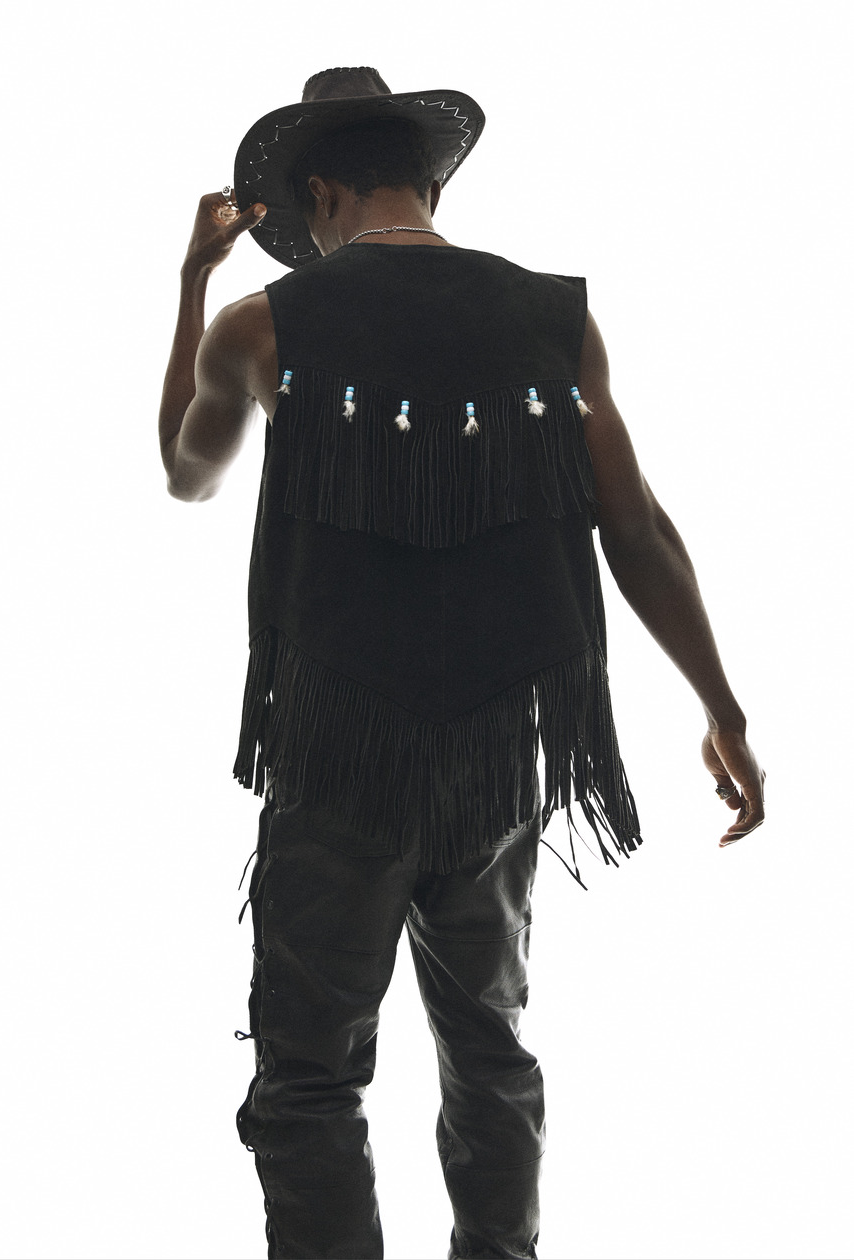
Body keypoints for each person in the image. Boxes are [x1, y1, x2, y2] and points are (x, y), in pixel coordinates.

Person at [158, 67, 764, 1260]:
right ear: (430, 182)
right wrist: (723, 711)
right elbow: (637, 530)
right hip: (496, 760)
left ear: (319, 192)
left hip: (334, 762)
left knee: (310, 1077)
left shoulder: (261, 326)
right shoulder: (554, 319)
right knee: (490, 1051)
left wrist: (191, 286)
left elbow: (187, 472)